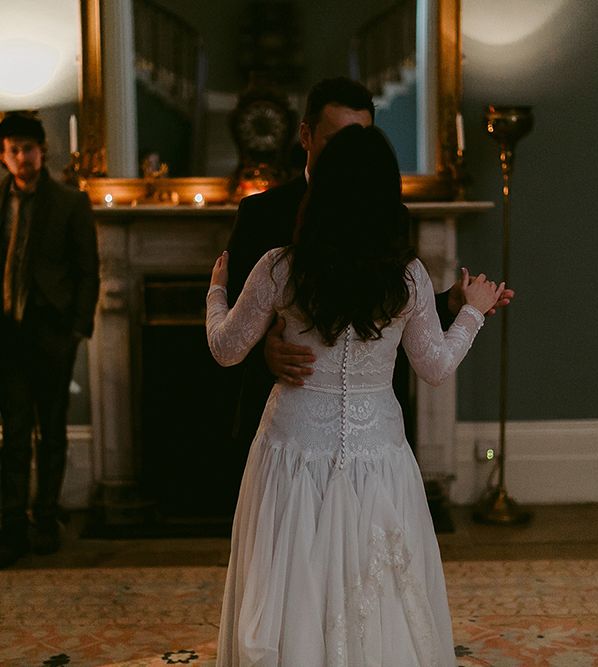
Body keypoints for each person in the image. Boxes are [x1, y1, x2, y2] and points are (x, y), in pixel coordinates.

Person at [207, 124, 511, 665]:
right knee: (381, 594)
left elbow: (225, 350)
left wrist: (215, 292)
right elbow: (435, 367)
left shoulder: (279, 267)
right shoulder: (408, 278)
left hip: (292, 451)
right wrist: (472, 312)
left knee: (291, 589)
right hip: (378, 456)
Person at [225, 76, 513, 469]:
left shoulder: (391, 217)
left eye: (362, 138)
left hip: (369, 434)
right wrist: (265, 353)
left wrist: (453, 303)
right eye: (339, 140)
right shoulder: (260, 215)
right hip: (285, 434)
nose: (353, 153)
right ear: (306, 136)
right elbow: (231, 324)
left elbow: (388, 305)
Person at [0, 112, 100, 568]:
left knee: (52, 432)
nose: (22, 157)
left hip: (51, 333)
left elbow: (88, 271)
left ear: (43, 150)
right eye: (14, 149)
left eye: (29, 148)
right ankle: (12, 526)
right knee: (14, 434)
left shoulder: (69, 203)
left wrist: (76, 329)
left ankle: (45, 520)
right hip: (7, 337)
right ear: (4, 155)